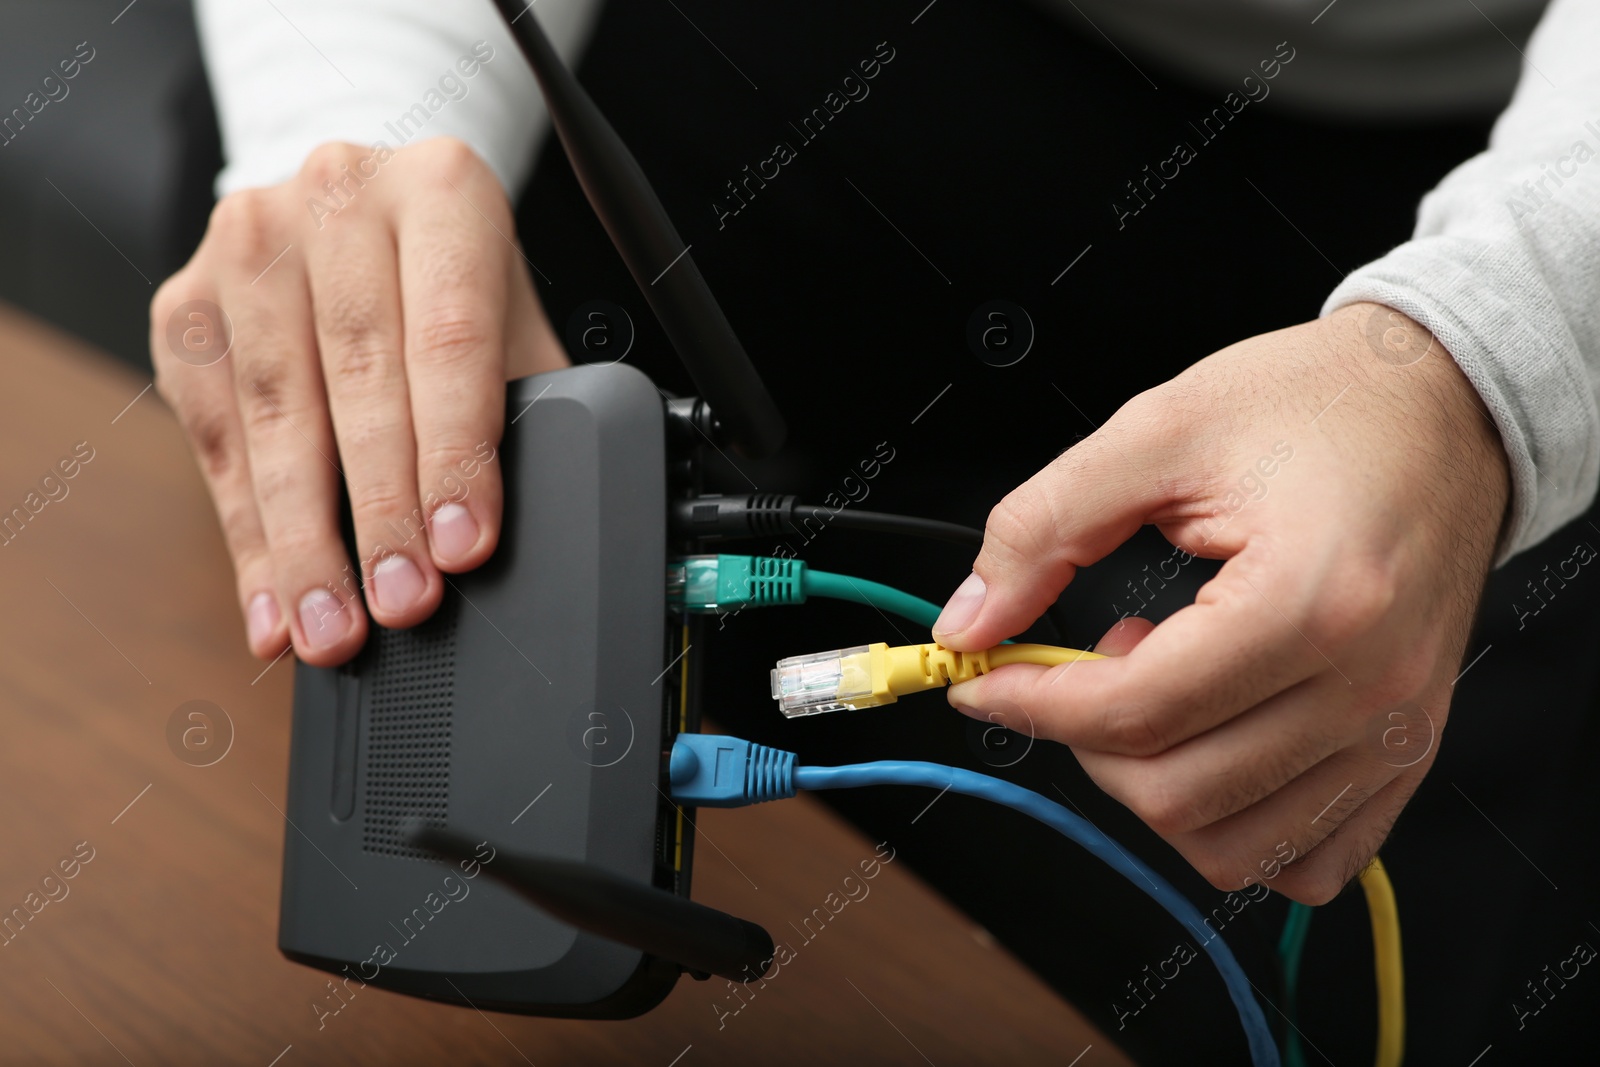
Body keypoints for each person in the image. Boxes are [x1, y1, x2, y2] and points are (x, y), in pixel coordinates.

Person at [155, 0, 1598, 1060]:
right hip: (811, 56)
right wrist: (353, 131)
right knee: (358, 290)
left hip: (1483, 154)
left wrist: (1483, 360)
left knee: (1357, 857)